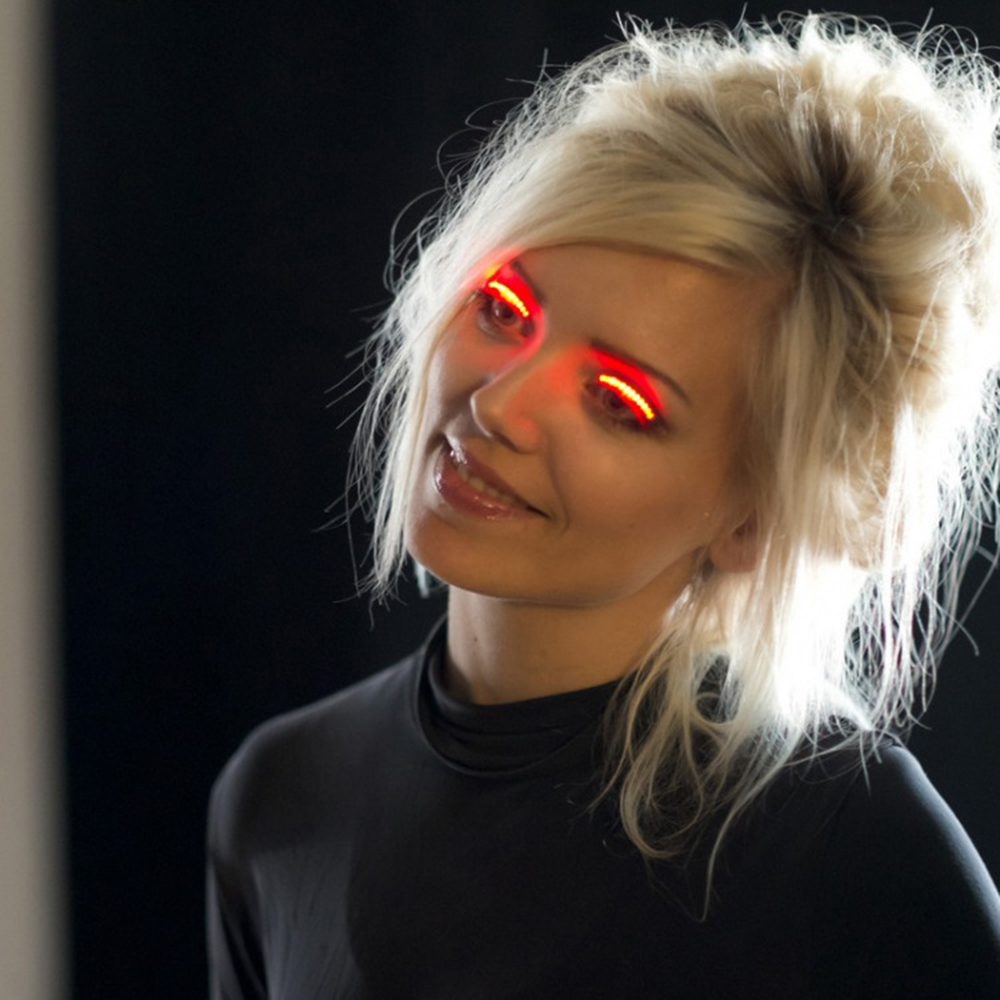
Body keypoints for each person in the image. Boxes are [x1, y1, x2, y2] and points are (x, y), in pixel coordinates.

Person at [207, 14, 1000, 998]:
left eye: (618, 401)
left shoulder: (856, 866)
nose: (498, 406)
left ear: (752, 521)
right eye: (504, 309)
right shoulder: (280, 802)